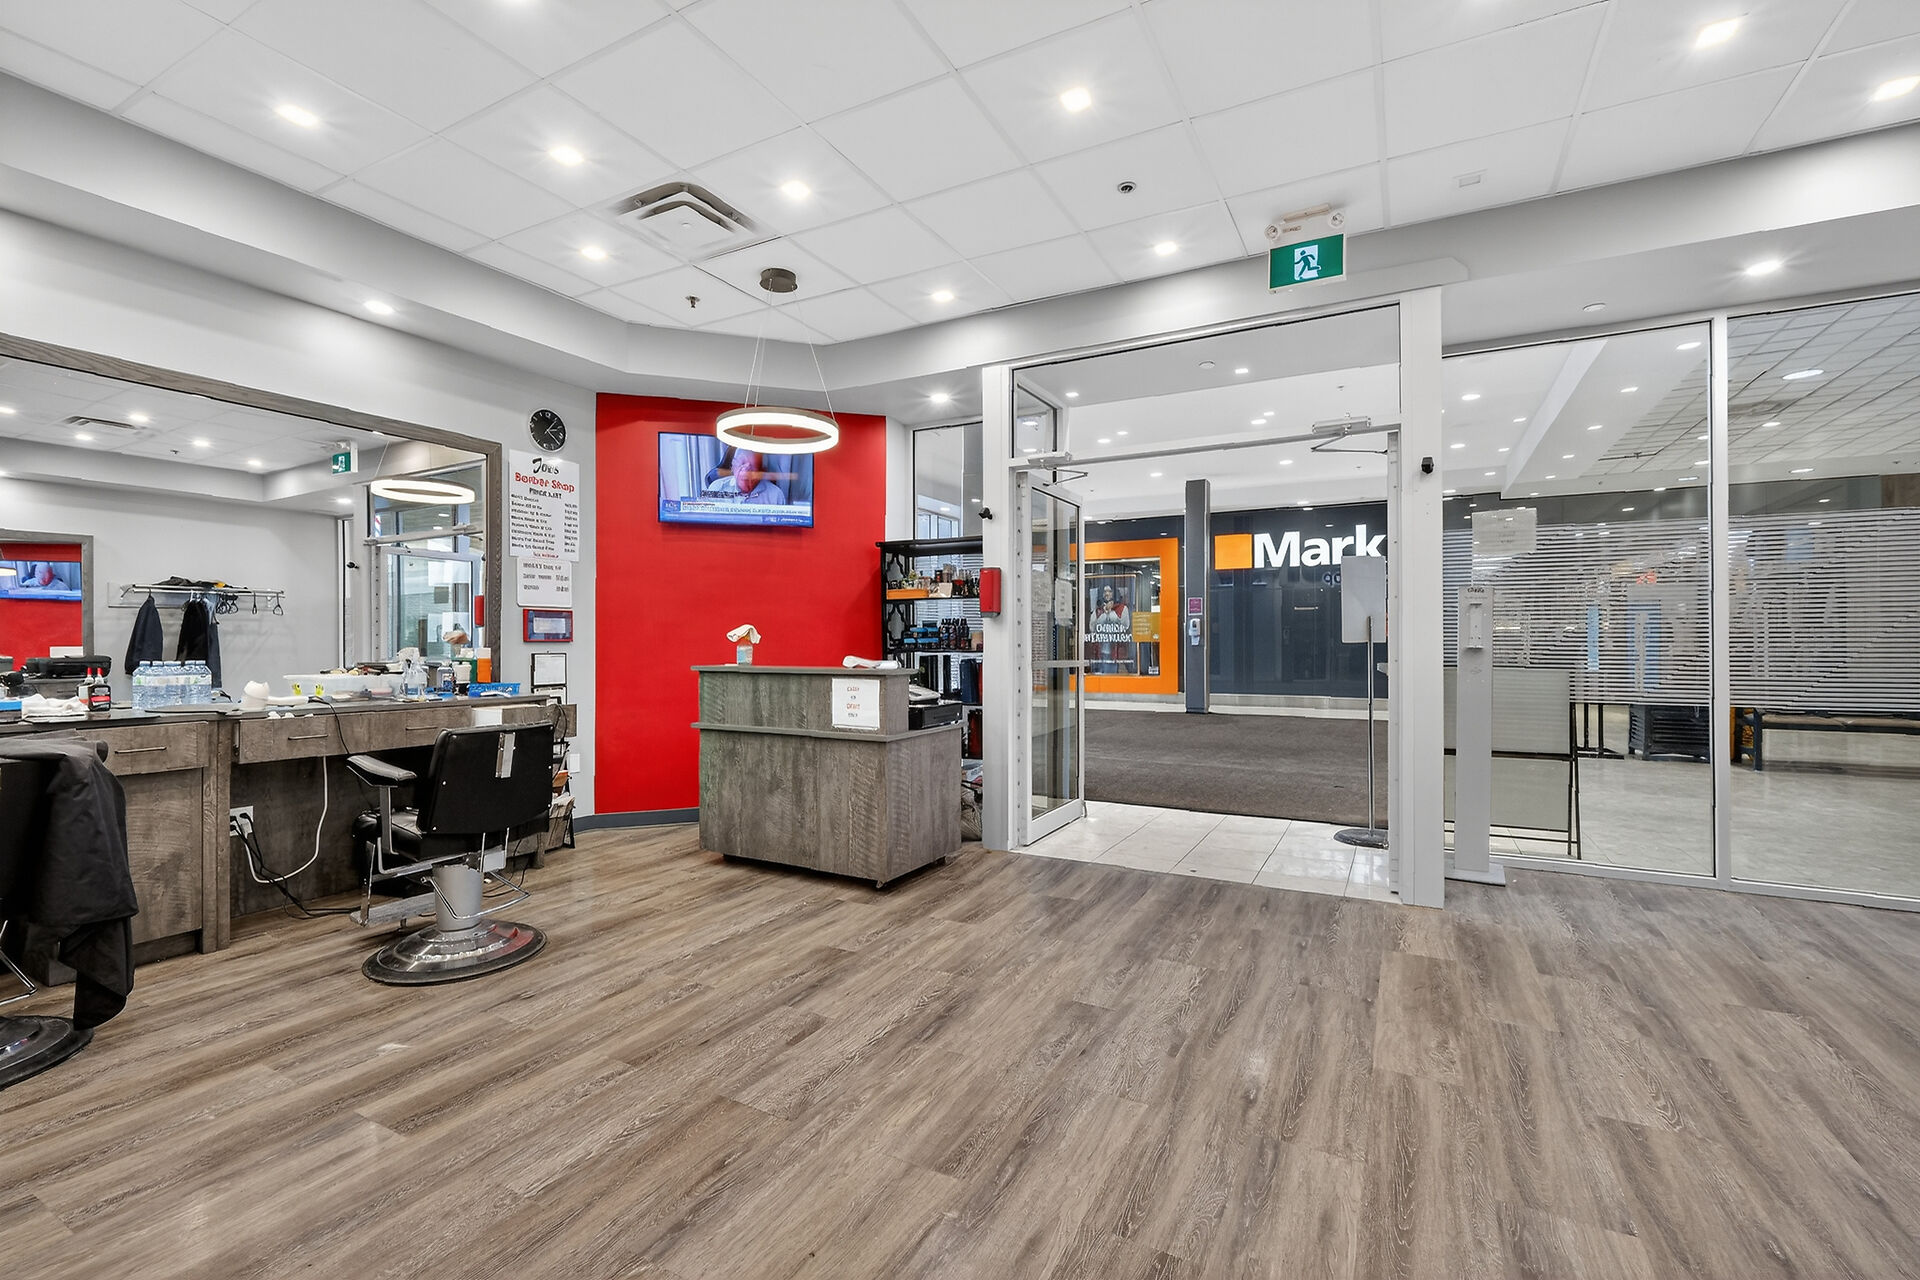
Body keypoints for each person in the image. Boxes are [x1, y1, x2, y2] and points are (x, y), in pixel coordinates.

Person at [704, 448, 787, 505]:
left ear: (761, 471)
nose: (746, 471)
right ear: (733, 466)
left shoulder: (776, 495)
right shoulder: (716, 488)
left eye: (752, 466)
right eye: (742, 464)